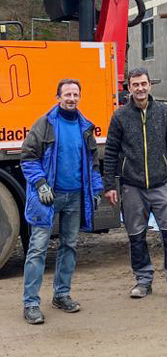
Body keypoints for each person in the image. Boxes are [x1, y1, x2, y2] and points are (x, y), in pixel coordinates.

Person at [20, 78, 103, 325]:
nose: (71, 98)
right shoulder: (44, 124)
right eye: (67, 94)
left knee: (70, 246)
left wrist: (96, 190)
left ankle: (62, 294)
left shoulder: (85, 126)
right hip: (49, 198)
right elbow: (28, 157)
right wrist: (40, 183)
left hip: (75, 197)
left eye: (75, 94)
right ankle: (31, 303)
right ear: (58, 97)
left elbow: (93, 164)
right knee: (37, 249)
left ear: (79, 97)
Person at [103, 68, 167, 301]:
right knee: (136, 236)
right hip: (132, 186)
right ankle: (143, 281)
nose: (140, 88)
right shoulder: (120, 116)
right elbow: (110, 152)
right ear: (128, 88)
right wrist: (110, 185)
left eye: (143, 84)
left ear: (150, 85)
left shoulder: (163, 112)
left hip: (162, 184)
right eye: (135, 85)